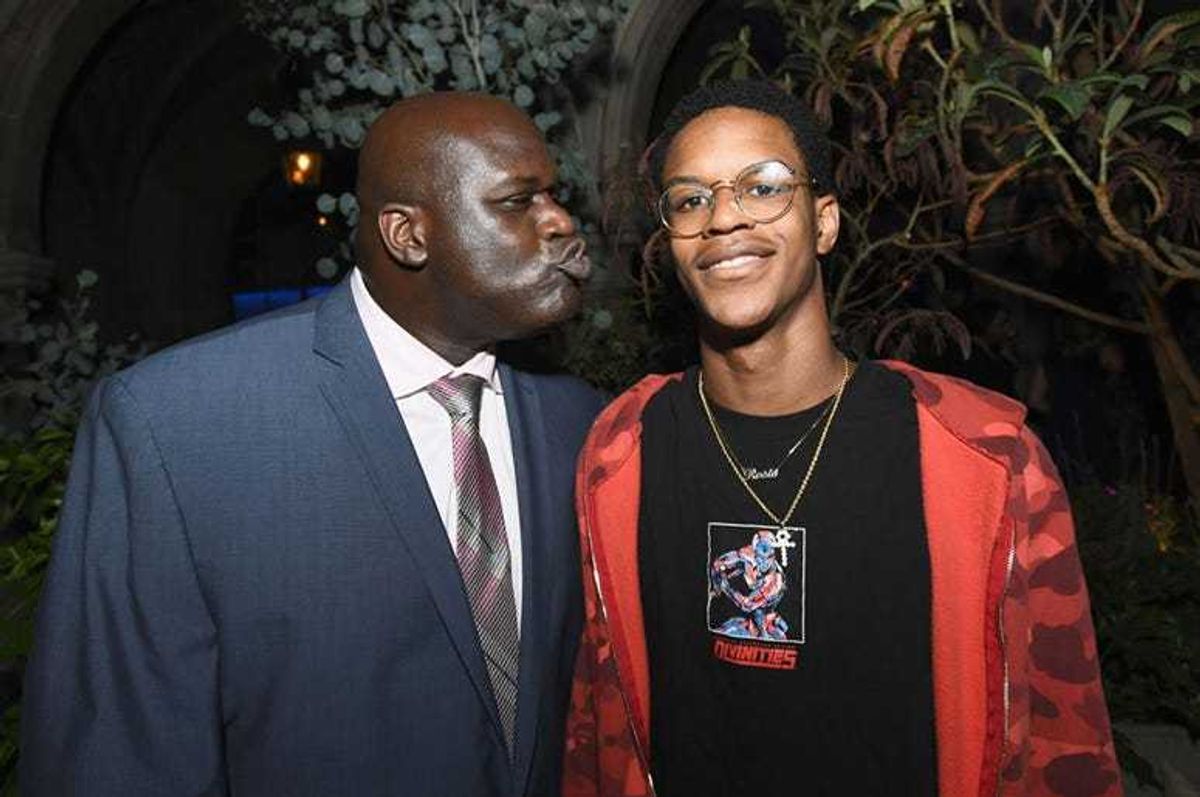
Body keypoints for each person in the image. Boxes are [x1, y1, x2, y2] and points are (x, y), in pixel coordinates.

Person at [21, 91, 605, 797]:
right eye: (518, 202)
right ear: (407, 235)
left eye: (554, 196)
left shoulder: (580, 420)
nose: (560, 222)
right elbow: (119, 751)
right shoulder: (178, 424)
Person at [562, 80, 1121, 797]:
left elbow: (1066, 745)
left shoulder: (985, 458)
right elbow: (596, 727)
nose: (724, 217)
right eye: (691, 199)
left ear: (824, 222)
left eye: (763, 187)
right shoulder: (621, 455)